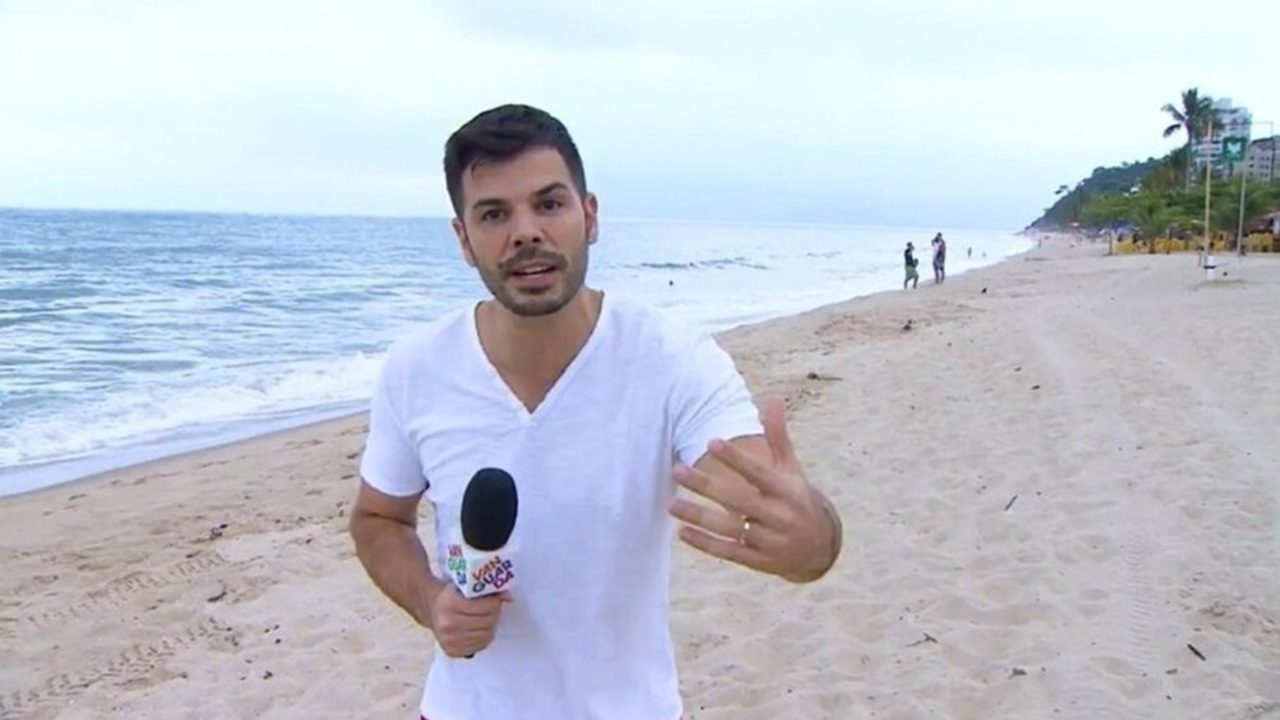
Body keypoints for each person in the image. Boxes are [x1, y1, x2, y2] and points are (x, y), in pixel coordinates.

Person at [348, 104, 844, 720]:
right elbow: (378, 519)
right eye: (494, 214)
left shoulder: (672, 359)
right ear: (464, 240)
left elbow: (772, 503)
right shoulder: (417, 368)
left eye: (549, 204)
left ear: (590, 215)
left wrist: (810, 537)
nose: (525, 232)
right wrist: (431, 602)